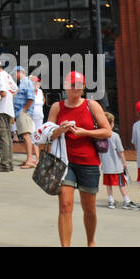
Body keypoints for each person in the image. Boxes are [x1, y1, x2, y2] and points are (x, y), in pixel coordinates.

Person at [46, 71, 110, 247]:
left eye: (80, 86)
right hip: (65, 162)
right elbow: (48, 133)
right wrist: (60, 130)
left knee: (89, 209)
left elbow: (107, 131)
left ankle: (90, 241)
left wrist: (85, 132)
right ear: (66, 86)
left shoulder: (92, 105)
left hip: (89, 162)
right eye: (73, 85)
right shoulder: (57, 107)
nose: (76, 89)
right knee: (65, 205)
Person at [99, 109, 133, 209]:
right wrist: (124, 162)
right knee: (121, 184)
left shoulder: (99, 135)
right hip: (116, 165)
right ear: (112, 123)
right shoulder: (115, 136)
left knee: (108, 185)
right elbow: (120, 151)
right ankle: (126, 200)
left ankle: (111, 201)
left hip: (106, 165)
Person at [13, 66, 38, 168]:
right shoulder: (24, 82)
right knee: (25, 135)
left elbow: (31, 98)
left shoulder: (26, 82)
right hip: (21, 112)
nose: (14, 75)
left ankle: (29, 160)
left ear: (19, 72)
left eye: (15, 73)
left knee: (26, 135)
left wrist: (24, 110)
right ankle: (29, 159)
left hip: (23, 113)